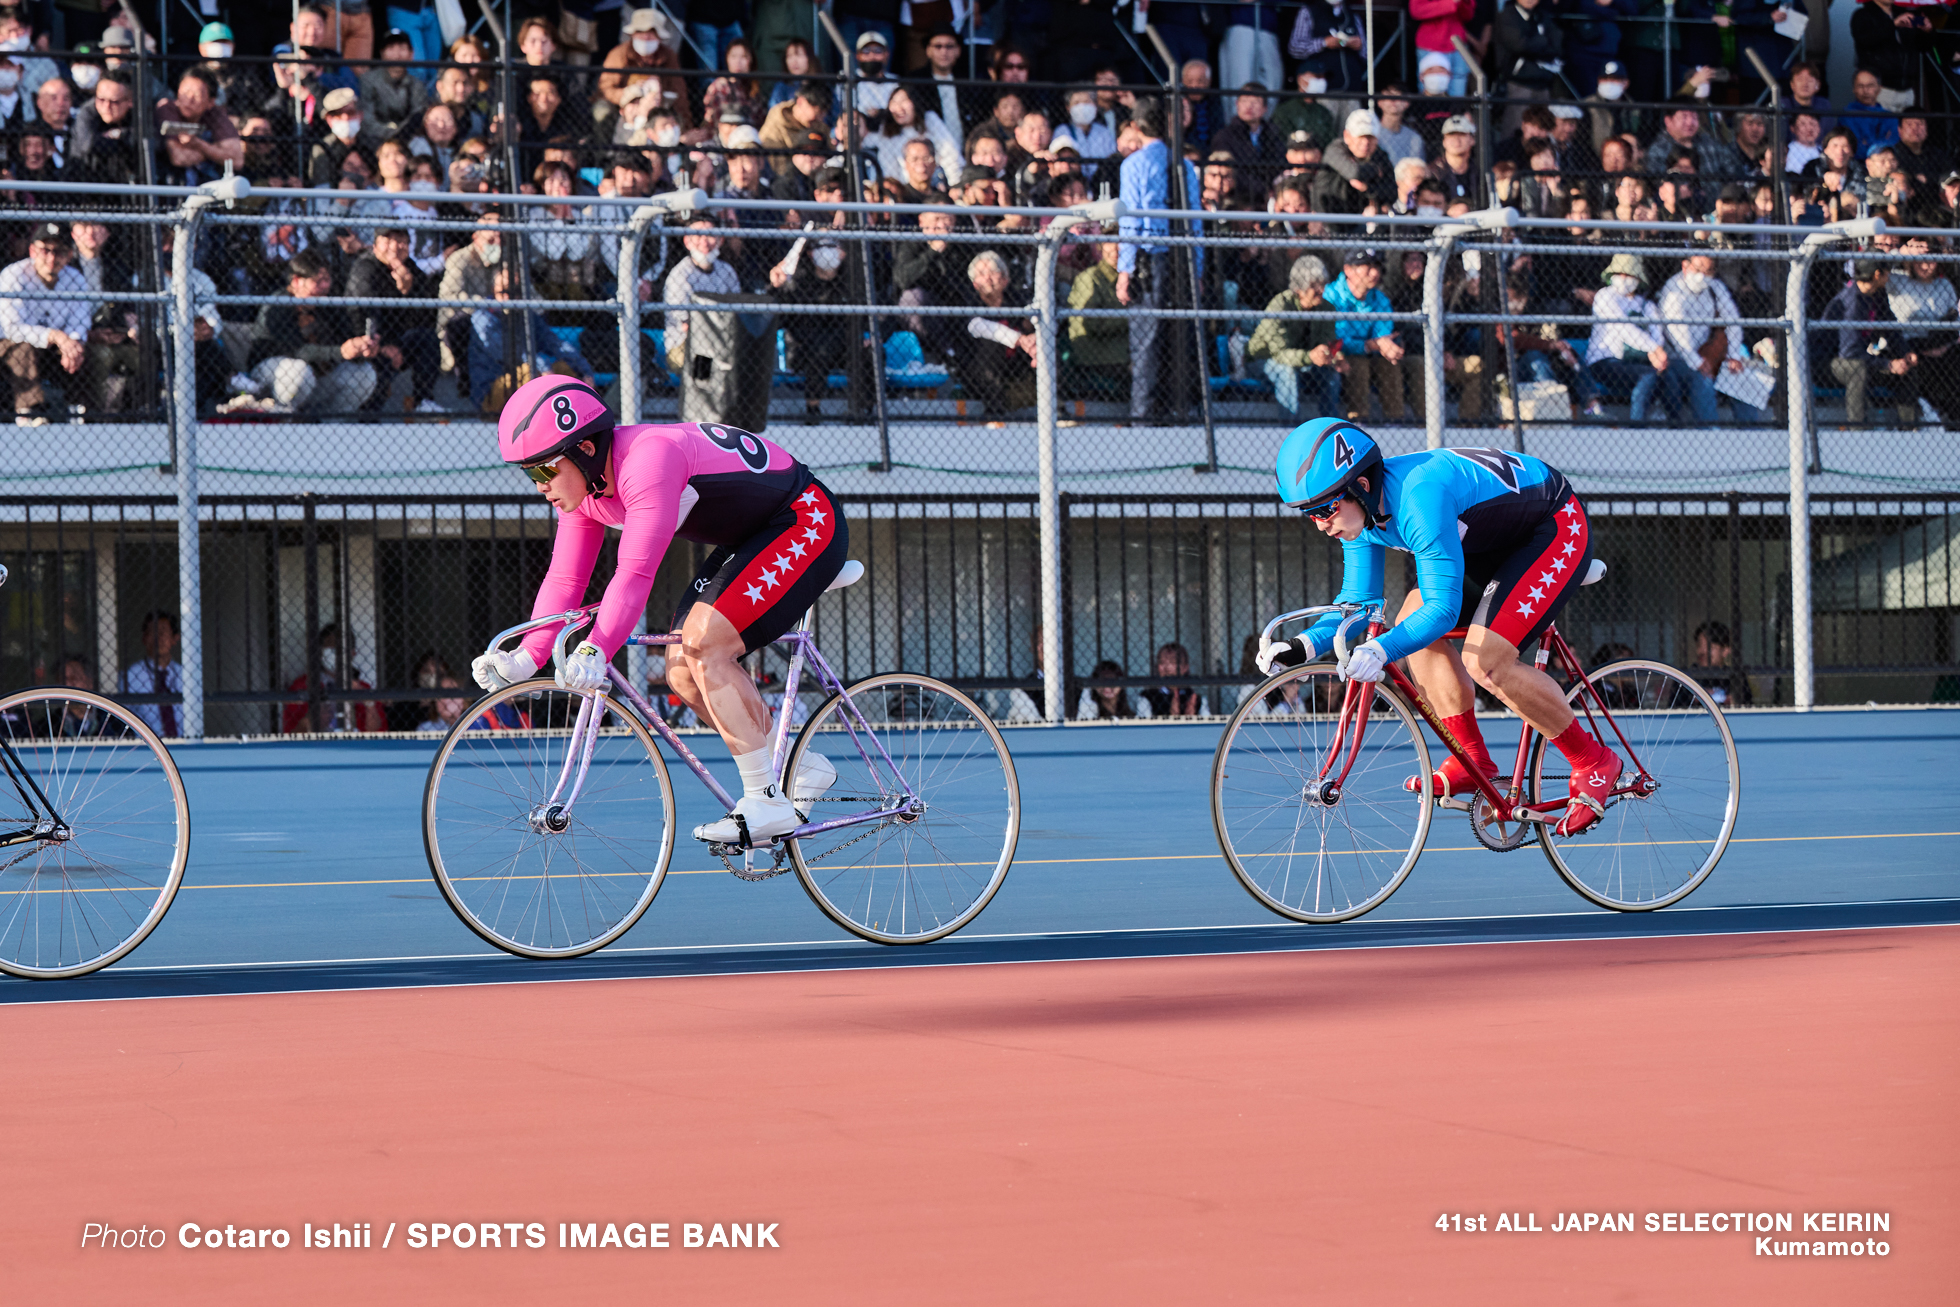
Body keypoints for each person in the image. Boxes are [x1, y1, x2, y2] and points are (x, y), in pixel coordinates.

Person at [473, 375, 848, 848]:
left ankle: (766, 801)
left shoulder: (648, 459)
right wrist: (525, 658)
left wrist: (598, 647)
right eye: (531, 475)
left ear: (585, 449)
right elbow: (566, 581)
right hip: (756, 535)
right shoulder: (585, 492)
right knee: (682, 673)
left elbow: (634, 575)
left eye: (544, 471)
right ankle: (801, 765)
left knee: (707, 645)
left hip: (805, 518)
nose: (540, 486)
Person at [1259, 420, 1623, 837]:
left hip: (1552, 528)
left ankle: (1592, 760)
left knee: (1486, 661)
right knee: (1410, 615)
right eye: (1310, 514)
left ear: (1360, 485)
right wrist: (1301, 647)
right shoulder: (1360, 514)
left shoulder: (1418, 497)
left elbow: (1444, 611)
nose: (1321, 524)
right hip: (1494, 545)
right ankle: (1471, 758)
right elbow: (1357, 604)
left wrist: (1380, 652)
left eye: (1325, 509)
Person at [1249, 253, 1344, 422]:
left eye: (1322, 284)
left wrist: (1332, 356)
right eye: (1315, 285)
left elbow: (1327, 340)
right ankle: (1291, 429)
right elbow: (1280, 354)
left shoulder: (1326, 308)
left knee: (1331, 375)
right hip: (1264, 360)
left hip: (1303, 361)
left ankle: (1332, 427)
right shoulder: (1280, 306)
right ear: (1299, 288)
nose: (1321, 290)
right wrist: (1310, 356)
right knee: (1287, 372)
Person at [1825, 258, 1918, 428]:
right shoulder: (1852, 302)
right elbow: (1850, 353)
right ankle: (1858, 430)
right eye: (1887, 271)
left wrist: (1904, 353)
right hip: (1831, 362)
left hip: (1860, 357)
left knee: (1907, 371)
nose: (1889, 276)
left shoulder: (1877, 293)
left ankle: (1909, 428)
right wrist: (1888, 364)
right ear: (1877, 274)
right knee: (1857, 369)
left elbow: (1889, 326)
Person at [122, 610, 183, 737]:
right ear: (144, 638)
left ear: (174, 638)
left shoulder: (185, 674)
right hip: (145, 745)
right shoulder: (131, 676)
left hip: (184, 742)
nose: (158, 637)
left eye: (163, 632)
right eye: (152, 632)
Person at [1688, 620, 1754, 706]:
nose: (1702, 651)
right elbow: (1675, 708)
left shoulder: (1735, 677)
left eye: (1710, 647)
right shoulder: (1687, 676)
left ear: (1725, 651)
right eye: (1699, 645)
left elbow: (1747, 707)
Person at [1141, 643, 1206, 717]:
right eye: (1162, 662)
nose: (1167, 668)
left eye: (1173, 662)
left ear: (1185, 667)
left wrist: (1191, 718)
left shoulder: (1196, 699)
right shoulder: (1147, 697)